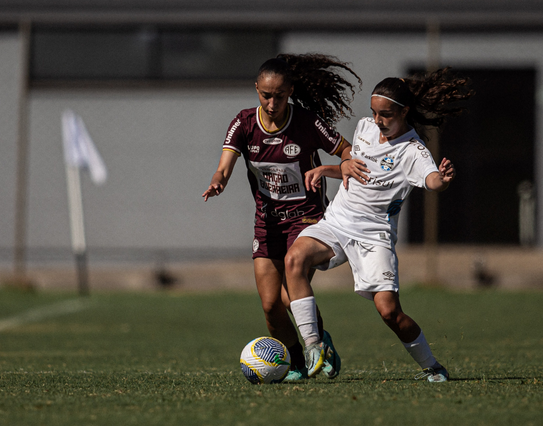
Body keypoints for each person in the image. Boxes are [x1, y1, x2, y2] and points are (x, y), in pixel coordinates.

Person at [284, 67, 473, 382]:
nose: (377, 120)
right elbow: (356, 169)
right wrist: (331, 168)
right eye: (374, 112)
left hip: (374, 236)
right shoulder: (364, 128)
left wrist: (442, 179)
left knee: (389, 312)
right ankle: (314, 346)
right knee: (294, 259)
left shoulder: (413, 151)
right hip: (338, 221)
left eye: (385, 114)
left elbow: (432, 180)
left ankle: (432, 366)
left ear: (404, 112)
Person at [203, 53, 361, 381]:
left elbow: (345, 149)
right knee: (271, 305)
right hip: (268, 221)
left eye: (279, 96)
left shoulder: (306, 122)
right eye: (266, 95)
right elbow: (225, 164)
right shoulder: (244, 123)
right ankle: (299, 364)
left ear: (290, 92)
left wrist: (344, 164)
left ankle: (318, 344)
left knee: (291, 291)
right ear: (256, 89)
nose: (272, 103)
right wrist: (219, 180)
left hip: (306, 218)